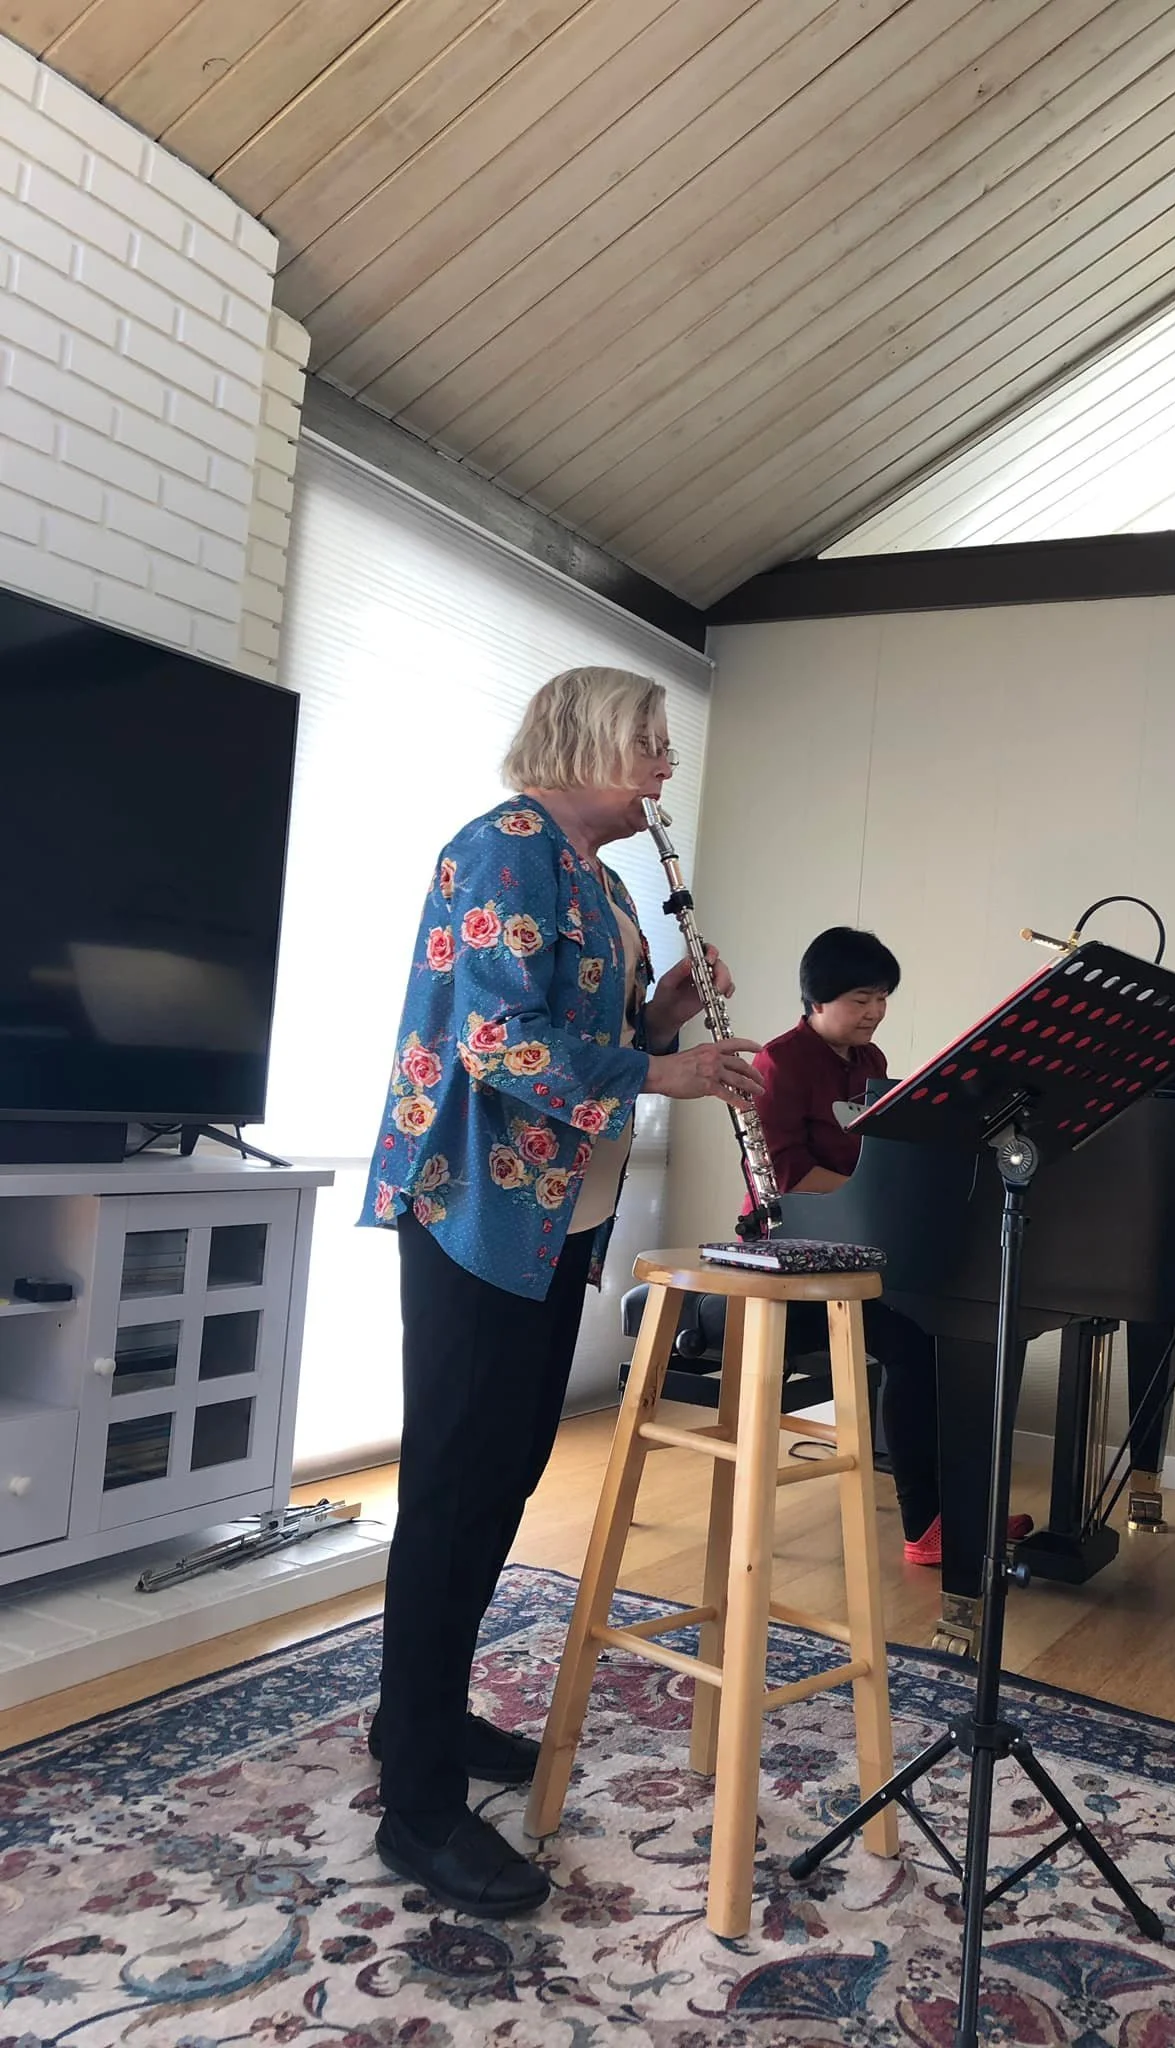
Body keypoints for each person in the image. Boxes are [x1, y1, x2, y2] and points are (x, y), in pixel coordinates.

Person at [359, 666, 761, 1920]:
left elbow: (591, 1025)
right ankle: (417, 1805)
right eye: (649, 740)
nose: (664, 765)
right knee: (456, 1485)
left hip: (549, 1219)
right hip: (475, 1207)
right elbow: (501, 1042)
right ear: (585, 739)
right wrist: (673, 1066)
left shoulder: (599, 882)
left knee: (505, 1471)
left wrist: (663, 1010)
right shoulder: (504, 849)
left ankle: (408, 1714)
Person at [751, 928, 1031, 1566]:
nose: (875, 1012)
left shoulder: (870, 1065)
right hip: (791, 1251)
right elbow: (782, 1176)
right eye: (860, 999)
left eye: (882, 998)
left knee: (947, 1334)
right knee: (915, 1344)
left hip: (858, 1244)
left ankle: (961, 1512)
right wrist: (866, 1197)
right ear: (817, 1000)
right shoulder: (780, 1062)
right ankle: (926, 1527)